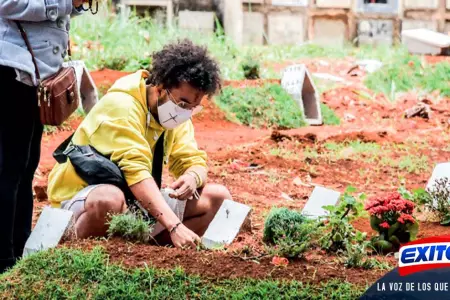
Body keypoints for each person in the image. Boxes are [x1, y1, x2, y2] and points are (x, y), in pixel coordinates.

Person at [47, 39, 232, 249]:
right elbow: (136, 172)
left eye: (194, 107)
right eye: (183, 103)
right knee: (108, 201)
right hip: (83, 198)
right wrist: (173, 226)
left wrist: (192, 176)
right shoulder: (122, 106)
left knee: (218, 198)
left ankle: (144, 254)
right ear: (161, 88)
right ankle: (66, 256)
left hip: (133, 203)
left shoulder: (175, 114)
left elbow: (191, 159)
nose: (186, 112)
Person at [0, 0, 88, 273]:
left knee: (26, 167)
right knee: (9, 167)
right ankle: (4, 259)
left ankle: (19, 249)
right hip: (14, 69)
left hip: (38, 74)